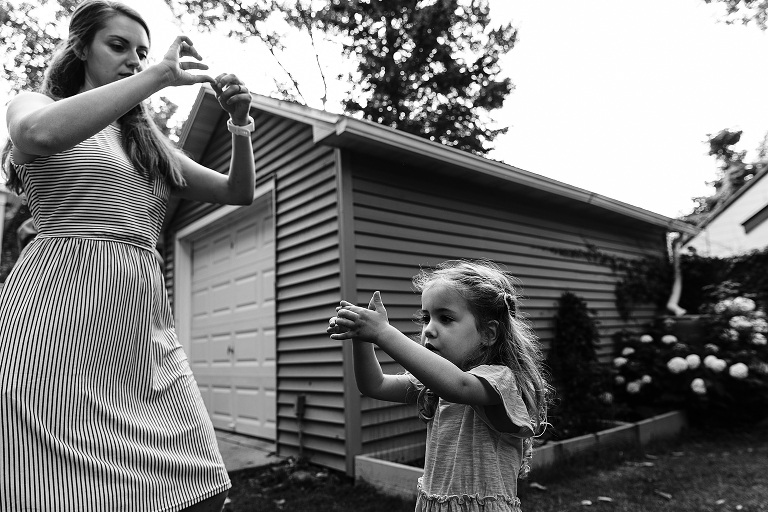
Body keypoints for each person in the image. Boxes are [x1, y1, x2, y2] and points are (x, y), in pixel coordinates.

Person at [0, 1, 256, 510]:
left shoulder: (146, 141)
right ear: (80, 49)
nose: (134, 60)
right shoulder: (35, 104)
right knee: (52, 485)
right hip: (56, 314)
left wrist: (240, 125)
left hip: (141, 322)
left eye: (141, 53)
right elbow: (36, 135)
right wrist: (161, 73)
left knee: (200, 482)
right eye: (118, 47)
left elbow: (237, 192)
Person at [328, 259, 552, 512]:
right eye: (426, 318)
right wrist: (363, 339)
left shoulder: (500, 379)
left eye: (445, 318)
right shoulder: (434, 384)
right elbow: (375, 385)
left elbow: (458, 386)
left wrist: (382, 332)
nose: (429, 330)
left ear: (489, 334)